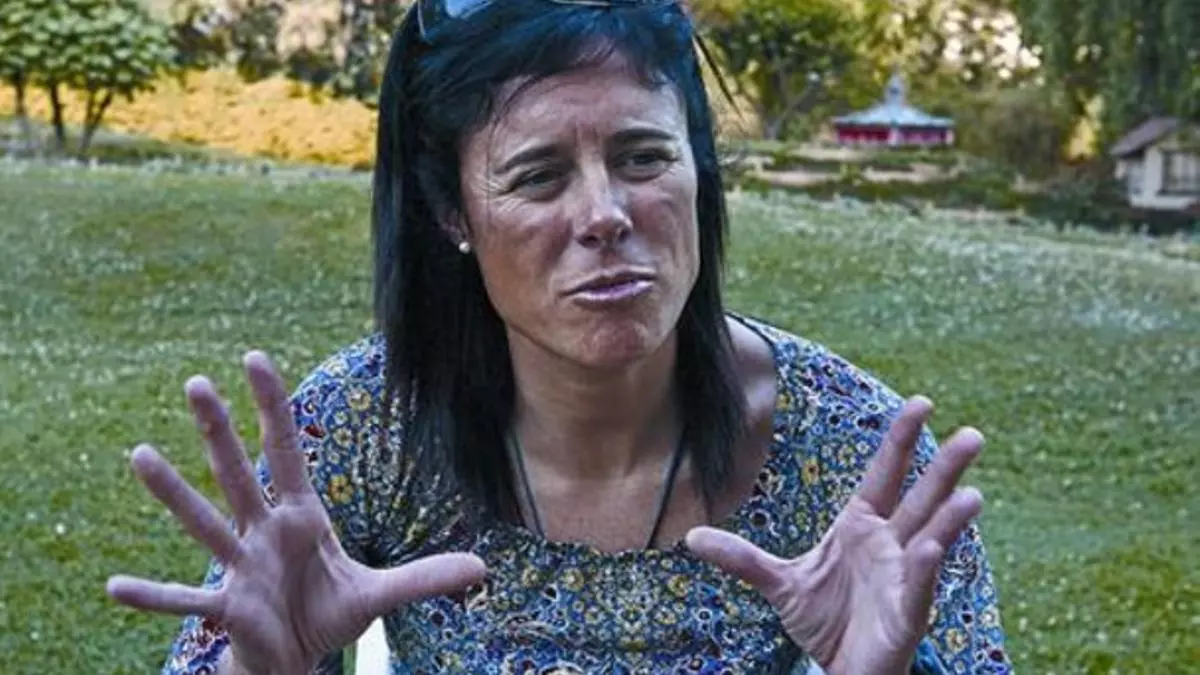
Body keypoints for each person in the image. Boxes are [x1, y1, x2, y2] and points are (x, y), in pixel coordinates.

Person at [105, 1, 1013, 673]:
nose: (605, 214)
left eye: (643, 157)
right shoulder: (369, 425)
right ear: (451, 213)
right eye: (538, 176)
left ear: (699, 169)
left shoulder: (856, 450)